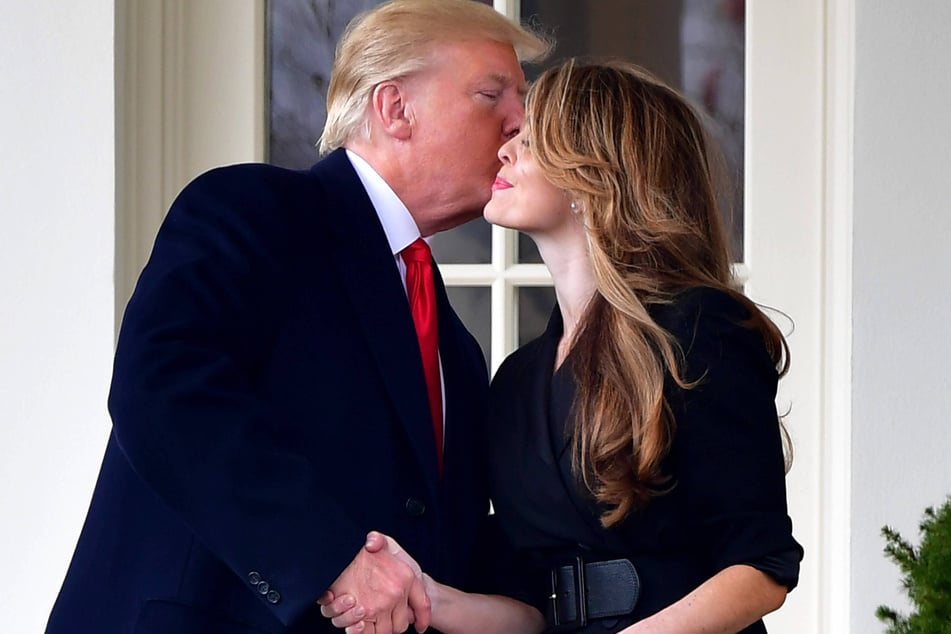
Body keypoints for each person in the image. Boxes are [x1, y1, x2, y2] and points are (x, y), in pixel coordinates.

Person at [45, 1, 549, 633]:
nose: (519, 123)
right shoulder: (252, 213)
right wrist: (329, 559)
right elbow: (163, 390)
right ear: (395, 108)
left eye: (521, 101)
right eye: (491, 94)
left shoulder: (457, 349)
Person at [321, 59, 804, 633]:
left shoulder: (698, 328)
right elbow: (531, 611)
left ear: (593, 173)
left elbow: (762, 567)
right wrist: (425, 595)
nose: (503, 150)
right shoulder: (519, 378)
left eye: (529, 139)